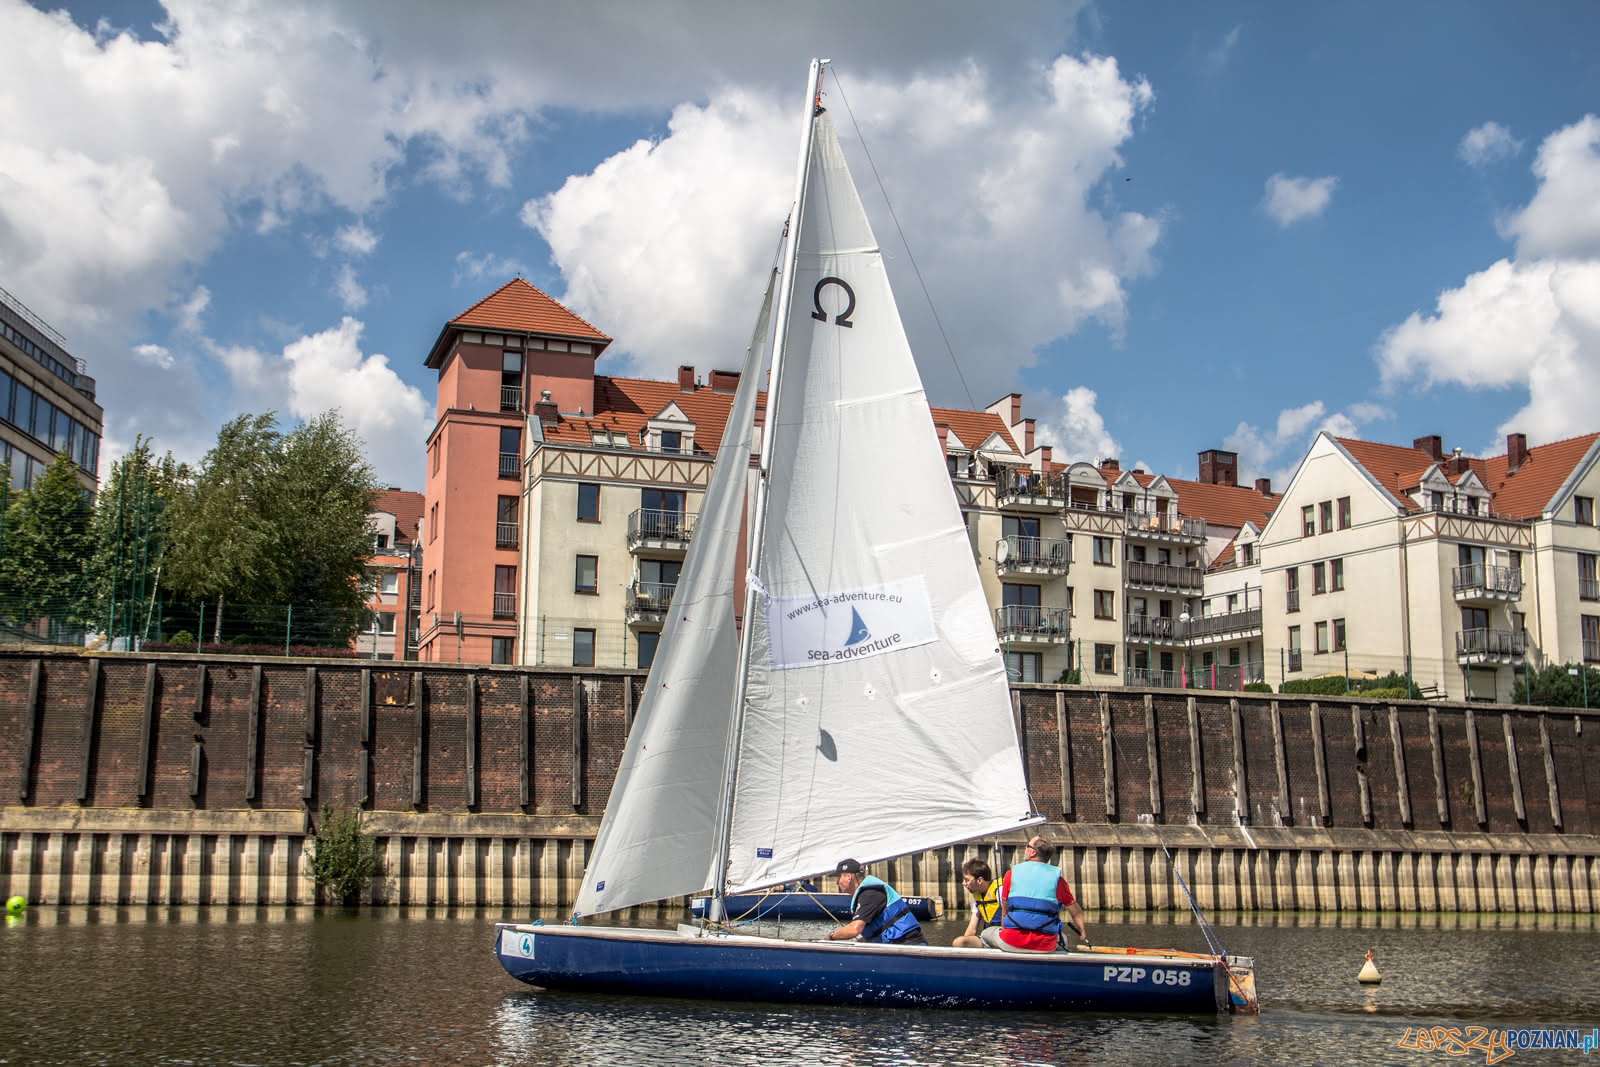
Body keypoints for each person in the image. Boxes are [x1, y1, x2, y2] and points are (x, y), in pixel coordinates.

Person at [979, 836, 1087, 953]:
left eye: (1027, 846)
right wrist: (1082, 932)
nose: (1025, 848)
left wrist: (1005, 930)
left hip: (1011, 941)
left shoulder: (1011, 875)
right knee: (1063, 939)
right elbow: (1076, 912)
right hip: (1045, 946)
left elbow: (1004, 912)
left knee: (986, 934)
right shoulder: (1058, 881)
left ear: (1032, 852)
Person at [826, 858, 926, 945]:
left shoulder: (870, 894)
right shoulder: (867, 893)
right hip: (897, 946)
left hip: (908, 945)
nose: (836, 882)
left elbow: (854, 929)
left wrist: (831, 936)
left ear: (848, 877)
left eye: (838, 878)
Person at [951, 857, 1001, 948]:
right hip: (989, 937)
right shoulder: (977, 898)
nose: (963, 883)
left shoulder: (999, 891)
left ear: (979, 880)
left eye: (967, 880)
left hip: (1005, 937)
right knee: (959, 942)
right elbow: (972, 929)